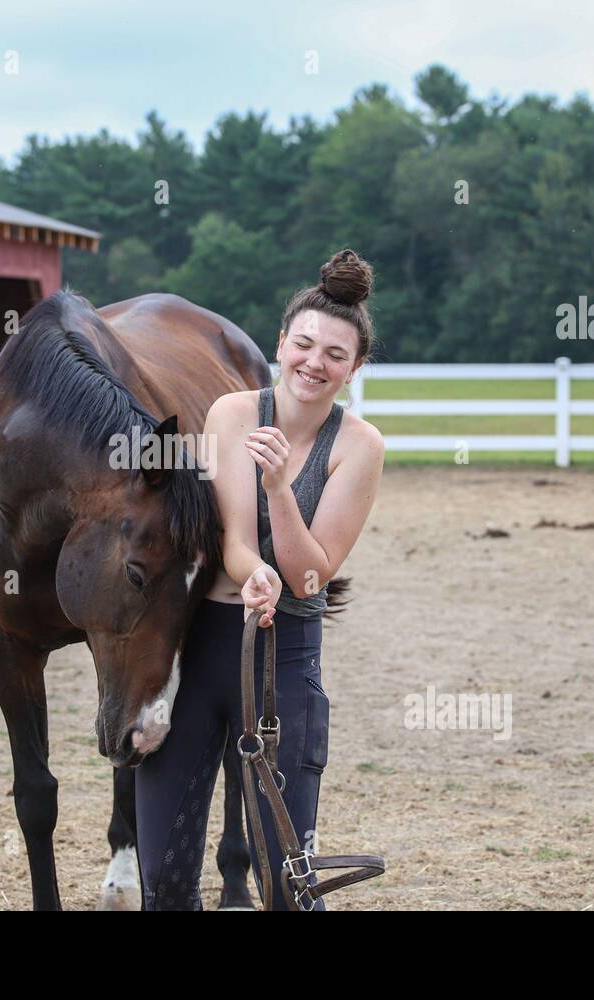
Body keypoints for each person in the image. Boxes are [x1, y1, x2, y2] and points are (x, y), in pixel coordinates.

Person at [135, 248, 386, 910]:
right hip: (204, 651)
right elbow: (237, 544)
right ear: (281, 343)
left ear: (355, 367)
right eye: (303, 344)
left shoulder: (359, 448)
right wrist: (253, 576)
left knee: (285, 885)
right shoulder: (233, 413)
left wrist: (279, 485)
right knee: (162, 876)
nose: (315, 362)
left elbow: (309, 576)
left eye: (335, 354)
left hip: (286, 664)